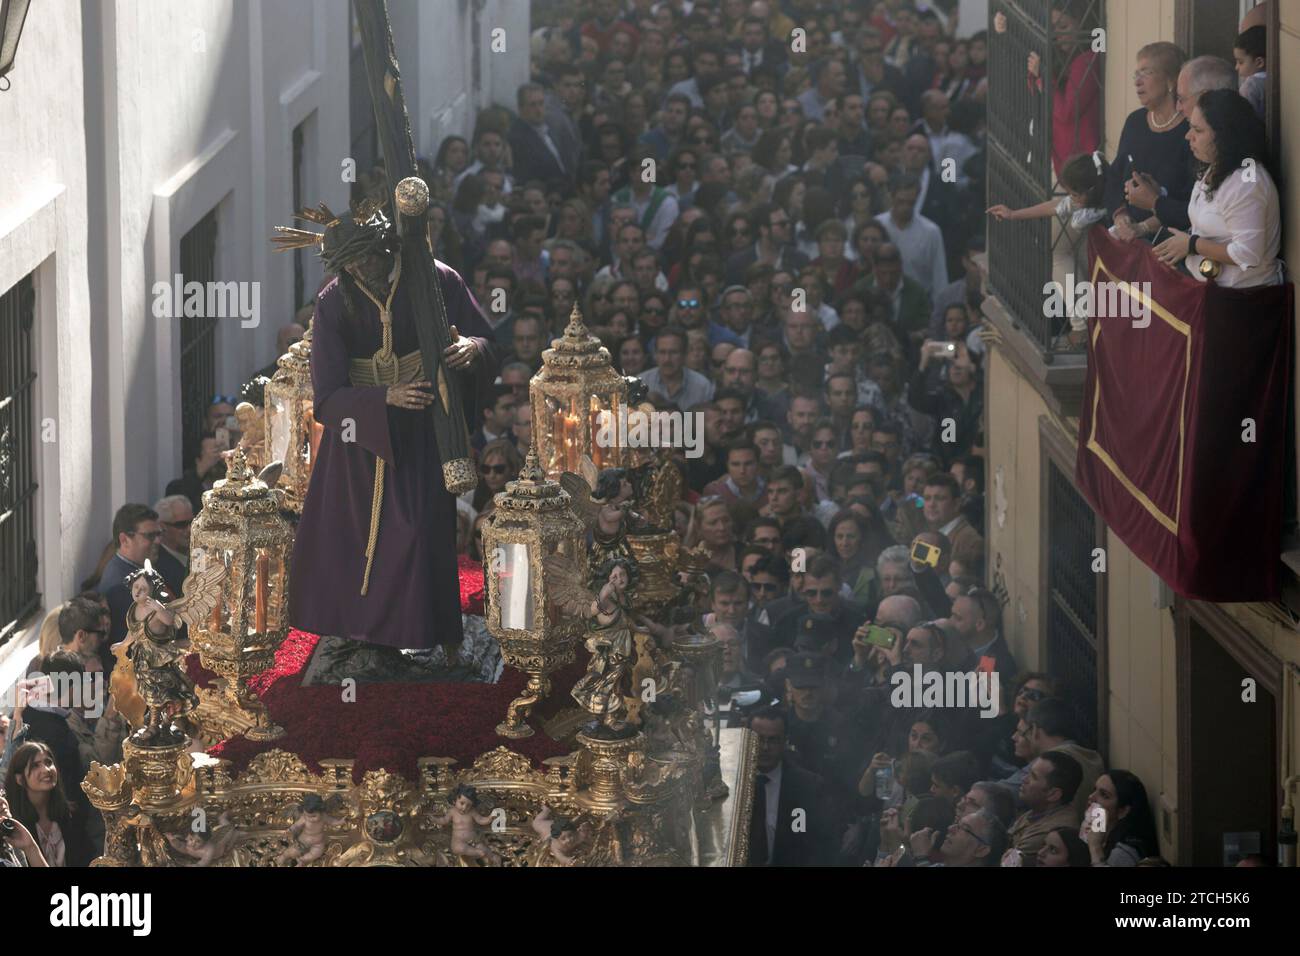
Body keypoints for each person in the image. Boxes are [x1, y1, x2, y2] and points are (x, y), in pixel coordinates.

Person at [283, 198, 499, 651]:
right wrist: (383, 398)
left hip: (423, 431)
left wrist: (472, 350)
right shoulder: (331, 301)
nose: (360, 271)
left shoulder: (436, 279)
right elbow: (327, 398)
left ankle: (420, 633)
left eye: (365, 258)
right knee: (354, 535)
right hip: (359, 442)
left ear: (385, 247)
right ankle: (363, 637)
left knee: (419, 531)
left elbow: (484, 337)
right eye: (350, 265)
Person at [1152, 89, 1282, 288]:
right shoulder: (1216, 166)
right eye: (1190, 127)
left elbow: (1248, 254)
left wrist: (1191, 245)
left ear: (1225, 135)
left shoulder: (1247, 182)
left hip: (1242, 299)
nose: (1188, 136)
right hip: (1210, 291)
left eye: (1198, 130)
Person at [1104, 42, 1192, 242]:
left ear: (1171, 80)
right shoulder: (1135, 122)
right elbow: (1115, 175)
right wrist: (1120, 216)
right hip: (1128, 241)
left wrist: (1144, 227)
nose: (1137, 82)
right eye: (1136, 75)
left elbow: (1193, 204)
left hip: (1171, 244)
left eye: (1146, 73)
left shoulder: (1191, 131)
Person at [747, 706, 829, 866]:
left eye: (773, 740)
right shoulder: (730, 784)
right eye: (759, 739)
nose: (765, 747)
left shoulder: (808, 787)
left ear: (785, 741)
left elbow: (817, 846)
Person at [2, 741, 96, 867]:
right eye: (35, 765)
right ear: (19, 779)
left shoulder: (71, 815)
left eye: (48, 762)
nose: (46, 770)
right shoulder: (14, 825)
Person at [96, 504, 161, 645]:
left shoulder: (137, 570)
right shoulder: (120, 586)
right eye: (150, 536)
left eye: (158, 534)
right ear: (125, 540)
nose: (158, 541)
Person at [1006, 751, 1082, 866]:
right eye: (1028, 773)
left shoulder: (1054, 830)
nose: (1024, 779)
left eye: (1033, 777)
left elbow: (1006, 861)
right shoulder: (1039, 809)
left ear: (1053, 794)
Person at [1083, 770, 1158, 866]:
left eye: (1104, 795)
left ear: (1122, 811)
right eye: (1094, 789)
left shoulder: (1124, 852)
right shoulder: (1101, 833)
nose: (1091, 797)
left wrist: (1095, 847)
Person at [1233, 25, 1267, 119]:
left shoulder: (1249, 87)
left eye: (1240, 62)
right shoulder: (1275, 79)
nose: (1236, 67)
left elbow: (1243, 119)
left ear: (1259, 62)